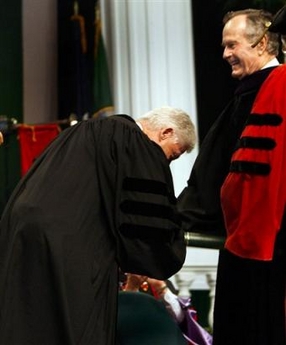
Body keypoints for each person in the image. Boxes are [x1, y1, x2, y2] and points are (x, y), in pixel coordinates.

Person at [0, 106, 196, 345]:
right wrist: (167, 249)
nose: (167, 162)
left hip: (21, 233)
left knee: (29, 321)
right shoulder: (136, 143)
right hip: (71, 248)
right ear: (165, 132)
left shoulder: (80, 132)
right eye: (172, 156)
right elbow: (146, 225)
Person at [177, 8, 286, 345]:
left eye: (232, 45)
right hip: (245, 241)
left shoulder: (275, 89)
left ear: (263, 42)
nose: (225, 55)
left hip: (263, 249)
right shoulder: (249, 94)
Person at [121, 274, 213, 345]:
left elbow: (182, 321)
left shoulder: (161, 282)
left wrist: (162, 289)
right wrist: (131, 288)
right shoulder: (114, 280)